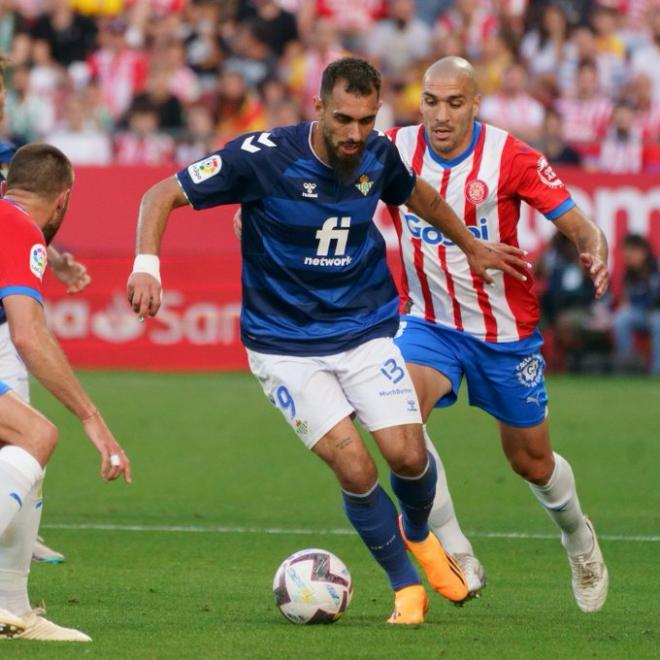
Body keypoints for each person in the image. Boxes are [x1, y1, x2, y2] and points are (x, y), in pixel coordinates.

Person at [127, 57, 528, 625]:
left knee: (409, 457)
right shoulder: (261, 157)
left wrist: (470, 245)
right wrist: (147, 265)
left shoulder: (377, 154)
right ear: (317, 107)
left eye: (367, 120)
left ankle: (417, 532)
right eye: (344, 119)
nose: (355, 134)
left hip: (364, 331)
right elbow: (159, 194)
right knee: (357, 469)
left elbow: (420, 197)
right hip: (284, 345)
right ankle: (406, 589)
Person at [387, 56, 609, 612]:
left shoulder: (508, 155)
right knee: (397, 424)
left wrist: (593, 247)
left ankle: (579, 537)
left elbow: (578, 222)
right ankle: (458, 550)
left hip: (503, 331)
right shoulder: (392, 148)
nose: (441, 115)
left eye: (454, 103)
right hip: (427, 321)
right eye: (431, 101)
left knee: (530, 461)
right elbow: (320, 170)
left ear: (475, 104)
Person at [0, 143, 131, 641]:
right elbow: (28, 334)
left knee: (19, 444)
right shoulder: (20, 229)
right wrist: (91, 417)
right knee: (36, 434)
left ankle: (12, 612)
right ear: (63, 201)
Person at [0, 53, 91, 565]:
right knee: (31, 433)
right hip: (12, 323)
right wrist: (92, 418)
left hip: (3, 316)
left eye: (0, 88)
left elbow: (16, 221)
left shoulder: (11, 155)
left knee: (25, 433)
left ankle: (15, 532)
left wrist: (51, 257)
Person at [612, 234, 660, 375]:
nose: (628, 256)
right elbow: (627, 300)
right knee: (621, 319)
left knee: (658, 322)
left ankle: (656, 371)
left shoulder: (656, 268)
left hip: (657, 313)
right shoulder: (629, 274)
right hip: (639, 312)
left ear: (643, 251)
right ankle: (628, 367)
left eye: (631, 251)